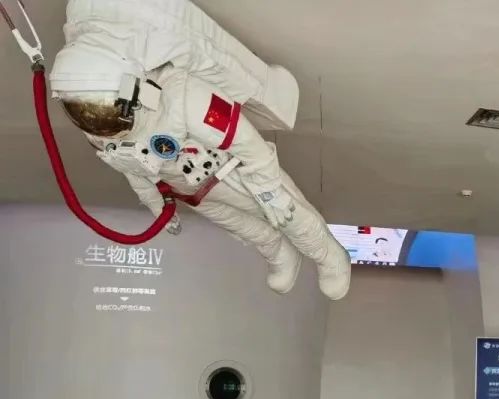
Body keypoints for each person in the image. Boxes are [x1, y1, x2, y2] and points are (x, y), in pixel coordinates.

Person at [49, 41, 351, 300]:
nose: (94, 119)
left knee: (287, 215)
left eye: (102, 109)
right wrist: (156, 206)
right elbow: (133, 169)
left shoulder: (183, 98)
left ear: (132, 87)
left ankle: (328, 256)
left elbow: (248, 144)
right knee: (245, 228)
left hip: (233, 175)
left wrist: (268, 188)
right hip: (191, 192)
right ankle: (280, 254)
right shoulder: (97, 131)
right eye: (81, 111)